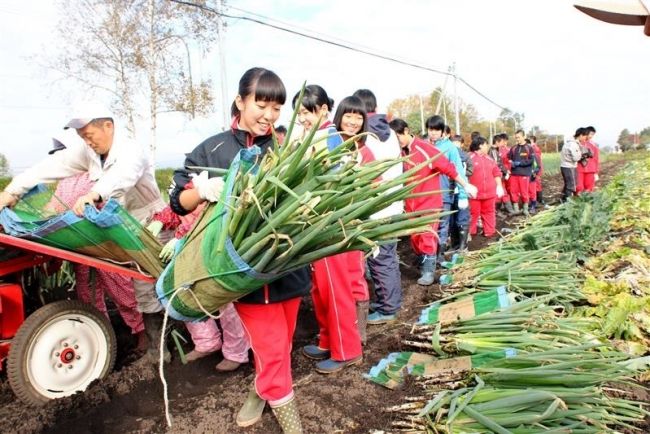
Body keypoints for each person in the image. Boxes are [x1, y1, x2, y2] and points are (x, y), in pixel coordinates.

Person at [168, 67, 310, 433]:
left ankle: (260, 389)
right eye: (261, 104)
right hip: (243, 273)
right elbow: (178, 203)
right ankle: (292, 423)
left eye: (277, 107)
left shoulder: (285, 147)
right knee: (273, 346)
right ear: (240, 101)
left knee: (281, 343)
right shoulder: (213, 148)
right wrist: (203, 190)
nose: (269, 116)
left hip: (290, 265)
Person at [0, 102, 170, 363]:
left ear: (108, 126)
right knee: (140, 286)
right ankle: (158, 351)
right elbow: (49, 167)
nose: (86, 142)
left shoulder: (130, 149)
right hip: (117, 227)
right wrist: (13, 191)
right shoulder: (89, 152)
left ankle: (177, 342)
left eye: (89, 135)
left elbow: (123, 176)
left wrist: (95, 193)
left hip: (150, 223)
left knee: (155, 282)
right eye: (81, 137)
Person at [43, 133, 146, 352]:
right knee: (88, 295)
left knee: (122, 290)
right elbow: (53, 208)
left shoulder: (98, 175)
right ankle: (102, 339)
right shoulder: (63, 183)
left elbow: (110, 202)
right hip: (79, 250)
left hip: (105, 245)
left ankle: (142, 334)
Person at [295, 92, 367, 374]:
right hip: (318, 226)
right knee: (320, 289)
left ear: (324, 109)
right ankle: (327, 340)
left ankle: (347, 350)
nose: (302, 118)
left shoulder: (330, 137)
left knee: (335, 289)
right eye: (298, 113)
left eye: (307, 112)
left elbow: (334, 185)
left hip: (331, 226)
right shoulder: (314, 136)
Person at [153, 204, 250, 372]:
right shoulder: (184, 182)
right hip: (189, 252)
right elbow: (178, 204)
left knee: (224, 300)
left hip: (215, 246)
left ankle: (236, 353)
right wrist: (161, 220)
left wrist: (182, 237)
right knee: (186, 294)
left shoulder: (212, 183)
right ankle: (206, 342)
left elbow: (213, 212)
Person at [389, 118, 477, 286]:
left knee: (428, 236)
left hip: (429, 203)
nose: (396, 143)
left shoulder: (425, 149)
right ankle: (424, 259)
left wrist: (465, 185)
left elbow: (448, 168)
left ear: (406, 131)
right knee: (415, 238)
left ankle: (428, 271)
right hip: (410, 205)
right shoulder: (399, 152)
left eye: (397, 138)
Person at [352, 89, 403, 326]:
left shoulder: (367, 134)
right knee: (387, 257)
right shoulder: (391, 132)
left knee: (380, 259)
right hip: (393, 203)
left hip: (377, 207)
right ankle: (389, 301)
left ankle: (387, 308)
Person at [425, 116, 475, 266]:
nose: (433, 133)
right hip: (427, 194)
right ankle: (427, 255)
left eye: (436, 130)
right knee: (428, 227)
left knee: (442, 226)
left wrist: (462, 193)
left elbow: (458, 170)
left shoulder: (450, 148)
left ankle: (438, 255)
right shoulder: (425, 146)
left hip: (444, 193)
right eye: (430, 129)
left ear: (442, 132)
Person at [467, 136, 505, 238]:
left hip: (489, 193)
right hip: (474, 194)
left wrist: (499, 186)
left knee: (489, 213)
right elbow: (463, 174)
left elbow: (496, 172)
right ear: (480, 145)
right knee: (472, 214)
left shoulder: (489, 159)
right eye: (485, 144)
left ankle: (489, 232)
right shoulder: (469, 158)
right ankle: (471, 233)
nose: (487, 146)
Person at [449, 134, 473, 251]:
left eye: (457, 142)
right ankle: (455, 244)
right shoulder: (447, 153)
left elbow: (470, 170)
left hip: (461, 190)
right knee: (452, 219)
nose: (456, 145)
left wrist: (461, 177)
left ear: (462, 144)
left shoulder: (465, 156)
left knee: (462, 217)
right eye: (454, 142)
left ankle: (463, 246)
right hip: (450, 191)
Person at [507, 130, 534, 216]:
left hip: (524, 173)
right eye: (516, 137)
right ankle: (516, 209)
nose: (517, 139)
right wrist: (511, 162)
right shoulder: (514, 148)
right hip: (514, 173)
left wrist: (520, 163)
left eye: (518, 137)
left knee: (524, 192)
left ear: (524, 137)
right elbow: (509, 157)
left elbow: (531, 160)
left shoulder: (529, 148)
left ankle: (525, 209)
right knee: (513, 191)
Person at [489, 134, 516, 216]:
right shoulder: (493, 151)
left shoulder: (495, 150)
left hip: (499, 175)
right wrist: (505, 171)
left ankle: (508, 210)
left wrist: (505, 171)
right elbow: (497, 165)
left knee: (502, 193)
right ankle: (498, 211)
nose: (503, 144)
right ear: (497, 142)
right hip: (496, 176)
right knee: (500, 193)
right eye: (502, 142)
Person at [560, 128, 586, 202]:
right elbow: (576, 158)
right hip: (569, 166)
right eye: (584, 136)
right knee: (571, 185)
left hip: (567, 166)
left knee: (568, 184)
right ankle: (567, 202)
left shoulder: (571, 143)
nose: (585, 138)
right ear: (581, 135)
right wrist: (582, 156)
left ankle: (563, 199)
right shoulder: (573, 144)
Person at [576, 126, 600, 193]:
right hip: (579, 169)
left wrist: (596, 172)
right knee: (579, 187)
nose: (591, 136)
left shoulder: (593, 145)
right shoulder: (577, 143)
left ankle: (588, 201)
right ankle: (577, 202)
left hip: (591, 169)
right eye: (590, 134)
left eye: (593, 134)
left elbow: (596, 159)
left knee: (589, 187)